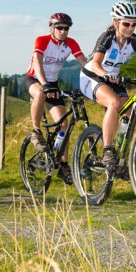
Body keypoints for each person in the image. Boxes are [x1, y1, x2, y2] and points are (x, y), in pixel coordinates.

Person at [79, 2, 136, 180]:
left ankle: (120, 158)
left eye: (134, 24)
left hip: (112, 78)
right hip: (91, 76)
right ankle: (107, 151)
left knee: (130, 113)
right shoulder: (107, 37)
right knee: (113, 102)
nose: (130, 28)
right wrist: (106, 74)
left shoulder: (135, 41)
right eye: (126, 24)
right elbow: (96, 64)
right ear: (116, 22)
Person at [24, 12, 87, 184]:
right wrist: (44, 83)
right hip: (35, 80)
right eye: (59, 27)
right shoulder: (42, 40)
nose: (63, 31)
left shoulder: (71, 43)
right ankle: (36, 131)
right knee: (40, 93)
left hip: (53, 83)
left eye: (66, 28)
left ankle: (63, 164)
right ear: (51, 28)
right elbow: (37, 61)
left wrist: (97, 78)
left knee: (64, 124)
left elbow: (84, 63)